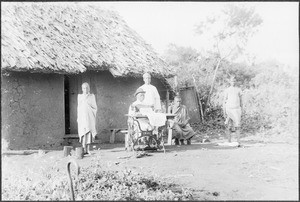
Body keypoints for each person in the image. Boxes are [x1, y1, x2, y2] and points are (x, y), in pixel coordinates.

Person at [77, 82, 97, 155]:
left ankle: (88, 149)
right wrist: (79, 117)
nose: (86, 89)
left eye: (87, 88)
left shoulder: (92, 96)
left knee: (89, 132)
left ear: (89, 88)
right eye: (84, 88)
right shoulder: (80, 97)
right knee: (83, 132)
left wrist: (90, 111)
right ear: (82, 89)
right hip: (82, 117)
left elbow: (94, 107)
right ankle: (83, 148)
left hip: (89, 116)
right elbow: (79, 108)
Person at [222, 76, 243, 145]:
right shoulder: (227, 90)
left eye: (234, 81)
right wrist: (224, 111)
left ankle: (238, 141)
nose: (233, 82)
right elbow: (224, 101)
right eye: (232, 81)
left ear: (236, 82)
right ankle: (229, 140)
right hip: (229, 109)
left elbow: (241, 101)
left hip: (237, 109)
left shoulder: (238, 90)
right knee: (229, 126)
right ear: (230, 82)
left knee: (237, 125)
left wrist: (241, 109)